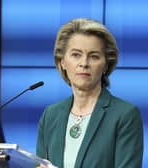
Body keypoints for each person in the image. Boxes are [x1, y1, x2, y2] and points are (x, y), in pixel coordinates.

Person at [36, 18, 143, 168]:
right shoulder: (50, 115)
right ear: (63, 62)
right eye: (76, 55)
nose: (84, 63)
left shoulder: (125, 115)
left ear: (106, 64)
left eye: (94, 56)